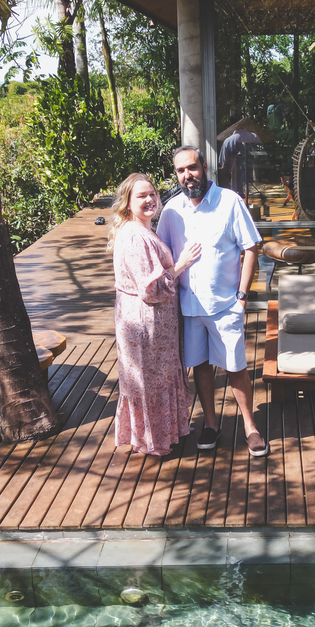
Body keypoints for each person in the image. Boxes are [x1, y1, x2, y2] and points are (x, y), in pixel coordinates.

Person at [156, 146, 268, 458]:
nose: (187, 175)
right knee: (201, 367)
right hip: (189, 308)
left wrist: (242, 297)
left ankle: (250, 427)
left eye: (192, 167)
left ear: (204, 166)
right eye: (180, 171)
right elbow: (160, 253)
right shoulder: (171, 211)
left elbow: (251, 248)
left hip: (225, 306)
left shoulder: (229, 201)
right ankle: (210, 424)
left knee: (235, 367)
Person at [110, 173, 201, 456]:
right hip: (144, 323)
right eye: (141, 196)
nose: (149, 199)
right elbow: (151, 289)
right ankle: (152, 440)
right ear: (127, 203)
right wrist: (181, 264)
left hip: (155, 322)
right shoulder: (134, 236)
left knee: (157, 378)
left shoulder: (143, 229)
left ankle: (163, 433)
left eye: (152, 194)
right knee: (149, 380)